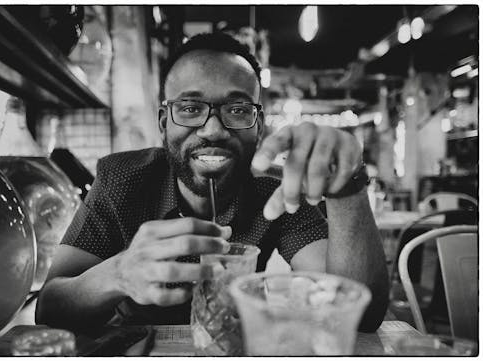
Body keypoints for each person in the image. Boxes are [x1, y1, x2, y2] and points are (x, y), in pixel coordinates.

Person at [36, 32, 389, 332]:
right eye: (190, 108)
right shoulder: (121, 180)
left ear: (259, 125)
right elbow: (50, 308)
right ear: (164, 122)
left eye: (237, 110)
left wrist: (348, 183)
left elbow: (359, 315)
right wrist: (117, 273)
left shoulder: (276, 191)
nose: (214, 129)